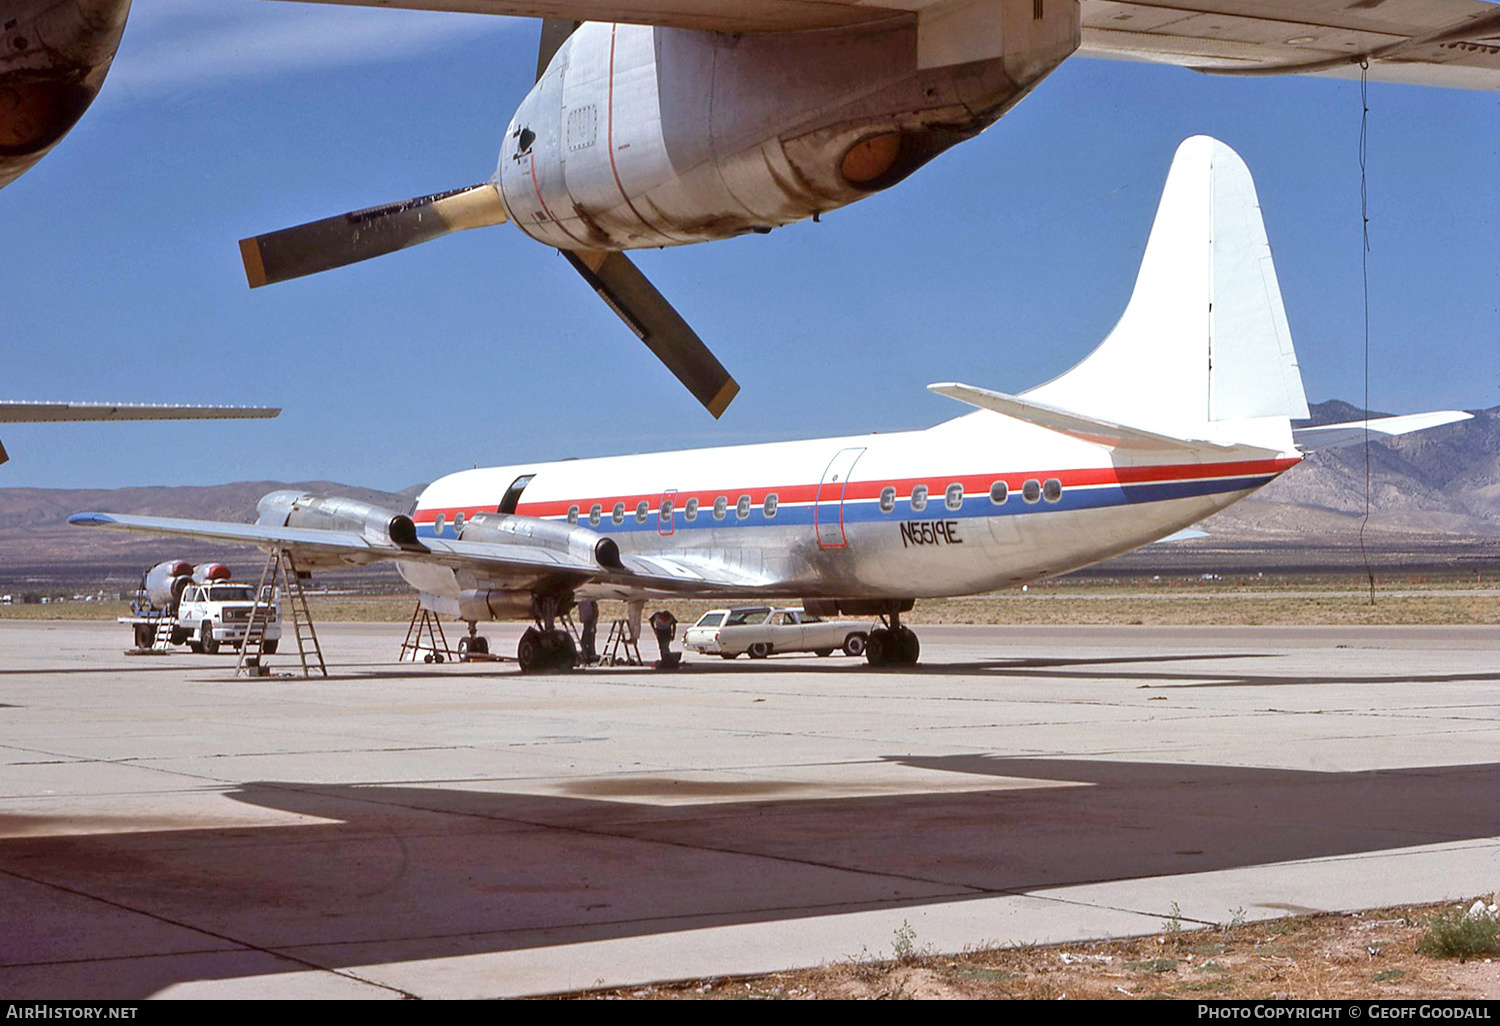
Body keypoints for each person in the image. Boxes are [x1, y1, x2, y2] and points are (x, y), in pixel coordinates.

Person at [577, 597, 599, 664]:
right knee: (586, 639)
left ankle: (590, 655)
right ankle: (588, 654)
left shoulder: (590, 601)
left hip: (590, 620)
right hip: (586, 620)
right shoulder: (581, 600)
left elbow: (595, 610)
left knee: (589, 639)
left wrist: (594, 621)